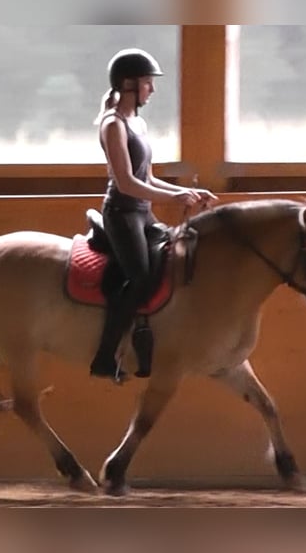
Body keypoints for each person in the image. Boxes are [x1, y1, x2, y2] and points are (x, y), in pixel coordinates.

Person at [89, 47, 217, 382]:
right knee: (141, 277)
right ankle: (105, 356)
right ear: (129, 84)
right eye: (148, 82)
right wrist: (176, 196)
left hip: (142, 213)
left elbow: (146, 177)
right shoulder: (113, 125)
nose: (153, 89)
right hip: (122, 213)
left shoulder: (138, 123)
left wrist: (183, 192)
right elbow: (127, 183)